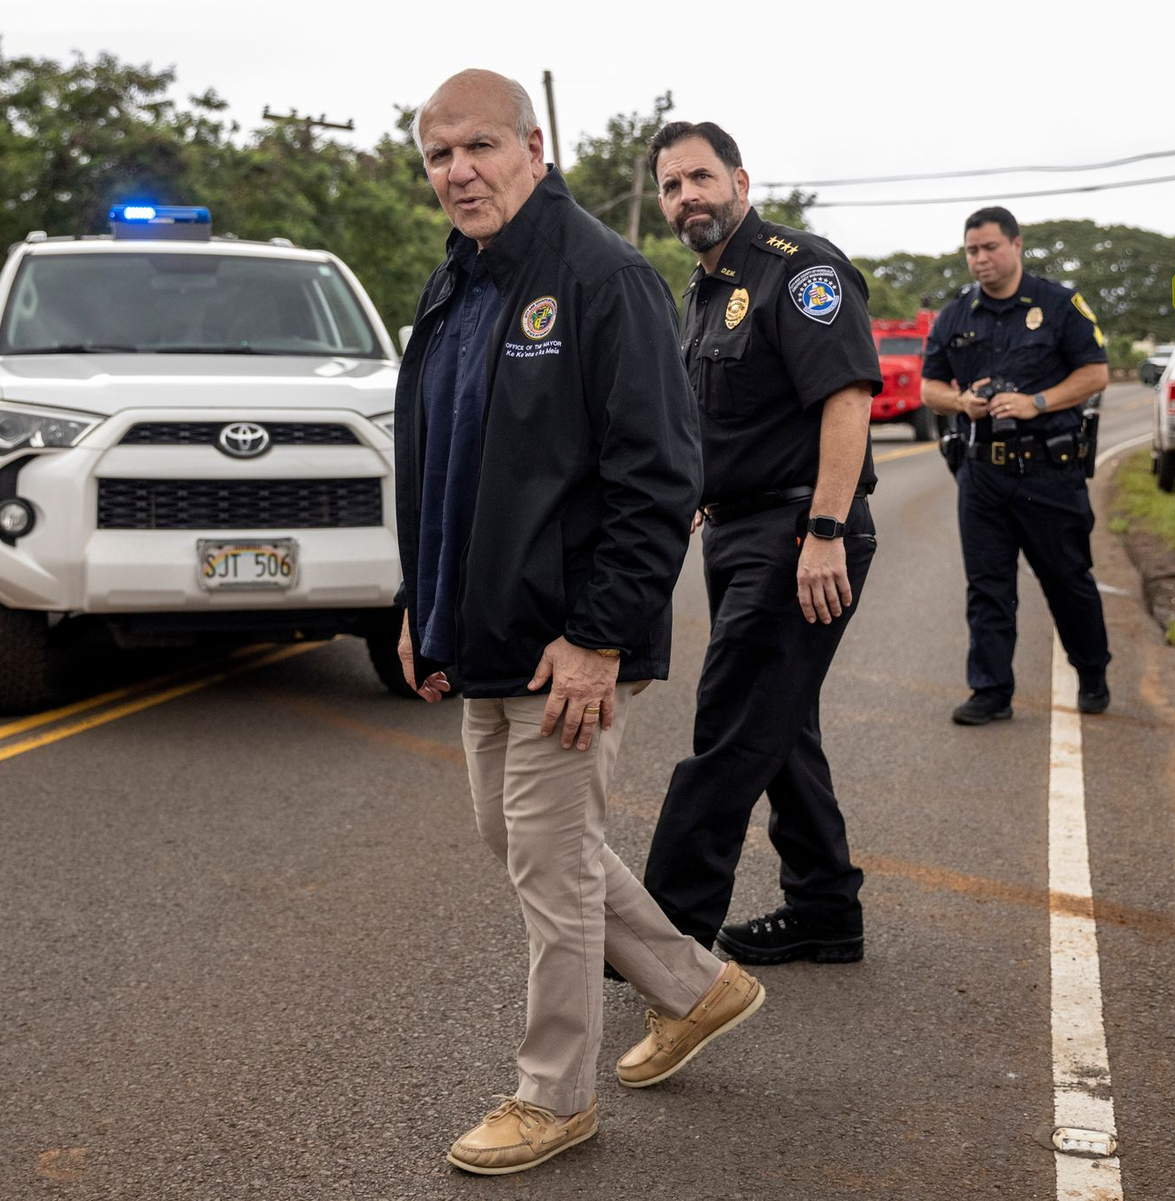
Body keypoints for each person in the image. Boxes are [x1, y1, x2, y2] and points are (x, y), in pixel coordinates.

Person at [393, 73, 764, 1177]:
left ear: (533, 145)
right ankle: (700, 988)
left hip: (571, 642)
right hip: (482, 628)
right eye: (437, 155)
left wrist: (601, 634)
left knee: (552, 868)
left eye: (478, 147)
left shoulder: (602, 277)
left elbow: (660, 475)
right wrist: (423, 602)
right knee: (516, 842)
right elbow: (439, 463)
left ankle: (552, 1095)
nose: (458, 171)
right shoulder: (453, 287)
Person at [640, 121, 881, 969]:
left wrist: (823, 531)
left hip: (798, 531)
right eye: (671, 187)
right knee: (781, 724)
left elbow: (845, 398)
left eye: (700, 178)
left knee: (733, 722)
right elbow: (718, 416)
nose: (686, 198)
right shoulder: (699, 293)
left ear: (740, 178)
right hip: (739, 527)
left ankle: (663, 935)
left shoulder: (799, 268)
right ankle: (824, 909)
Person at [920, 206, 1111, 725]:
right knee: (987, 587)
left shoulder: (1058, 303)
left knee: (1067, 579)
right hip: (982, 474)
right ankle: (991, 690)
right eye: (971, 251)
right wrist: (962, 404)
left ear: (1016, 245)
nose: (980, 259)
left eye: (989, 248)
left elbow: (1095, 374)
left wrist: (1037, 402)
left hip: (1048, 470)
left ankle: (1092, 670)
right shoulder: (955, 315)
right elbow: (929, 388)